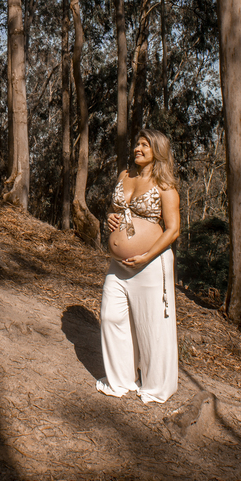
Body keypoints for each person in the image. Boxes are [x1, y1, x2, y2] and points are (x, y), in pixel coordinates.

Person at [97, 128, 181, 403]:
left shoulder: (165, 186)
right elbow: (117, 210)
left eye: (145, 145)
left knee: (152, 327)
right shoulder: (125, 175)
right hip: (118, 266)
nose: (138, 148)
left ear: (158, 150)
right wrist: (110, 217)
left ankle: (156, 387)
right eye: (137, 143)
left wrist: (146, 256)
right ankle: (121, 380)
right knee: (111, 316)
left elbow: (173, 229)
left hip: (151, 265)